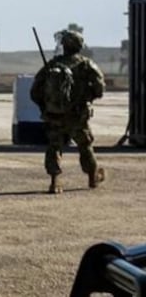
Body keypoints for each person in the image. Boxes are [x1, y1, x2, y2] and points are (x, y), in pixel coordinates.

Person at [29, 29, 106, 194]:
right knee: (85, 145)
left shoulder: (53, 65)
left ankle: (54, 181)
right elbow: (100, 89)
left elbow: (35, 92)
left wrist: (46, 106)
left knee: (54, 147)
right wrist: (88, 97)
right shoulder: (86, 65)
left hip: (55, 115)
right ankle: (92, 176)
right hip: (78, 116)